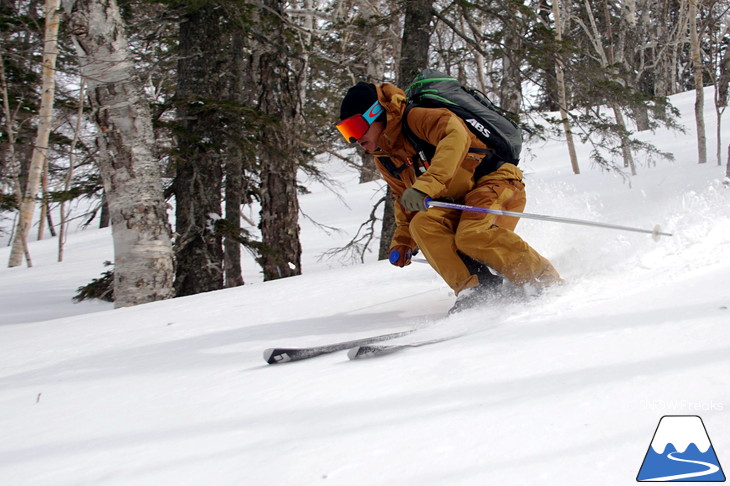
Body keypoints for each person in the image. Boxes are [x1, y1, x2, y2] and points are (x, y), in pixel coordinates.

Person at [336, 81, 562, 313]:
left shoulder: (417, 118)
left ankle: (543, 280)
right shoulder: (384, 157)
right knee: (423, 223)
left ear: (377, 113)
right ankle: (477, 288)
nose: (354, 139)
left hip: (496, 181)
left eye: (355, 127)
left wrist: (427, 184)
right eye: (346, 132)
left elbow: (456, 137)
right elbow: (404, 198)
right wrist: (404, 241)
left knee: (472, 234)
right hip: (459, 201)